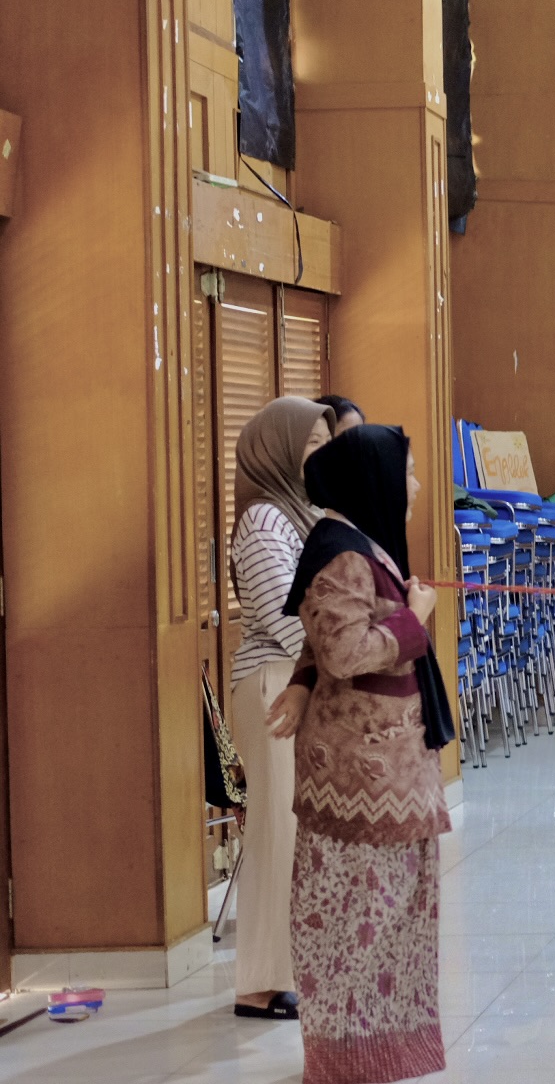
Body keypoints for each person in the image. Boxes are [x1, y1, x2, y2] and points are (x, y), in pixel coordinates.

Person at [269, 425, 455, 1083]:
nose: (416, 487)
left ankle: (383, 1048)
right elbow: (345, 651)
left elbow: (323, 640)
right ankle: (349, 1057)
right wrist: (414, 618)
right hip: (360, 778)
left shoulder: (359, 544)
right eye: (408, 473)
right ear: (373, 478)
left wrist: (301, 680)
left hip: (389, 771)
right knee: (357, 921)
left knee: (392, 914)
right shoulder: (342, 555)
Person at [226, 397, 336, 1021]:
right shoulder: (264, 520)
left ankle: (284, 972)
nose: (324, 454)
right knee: (274, 832)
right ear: (280, 450)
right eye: (312, 443)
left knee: (293, 834)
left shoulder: (302, 514)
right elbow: (285, 617)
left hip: (296, 680)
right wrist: (343, 658)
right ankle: (258, 984)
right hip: (273, 683)